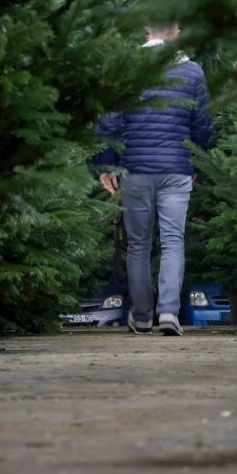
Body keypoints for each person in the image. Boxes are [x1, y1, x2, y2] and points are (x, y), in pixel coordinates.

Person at [95, 23, 212, 336]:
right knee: (173, 240)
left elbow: (108, 122)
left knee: (138, 245)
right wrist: (195, 161)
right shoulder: (193, 73)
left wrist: (107, 166)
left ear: (145, 28)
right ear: (177, 29)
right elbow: (202, 123)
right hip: (176, 169)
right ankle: (169, 313)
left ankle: (143, 316)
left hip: (135, 169)